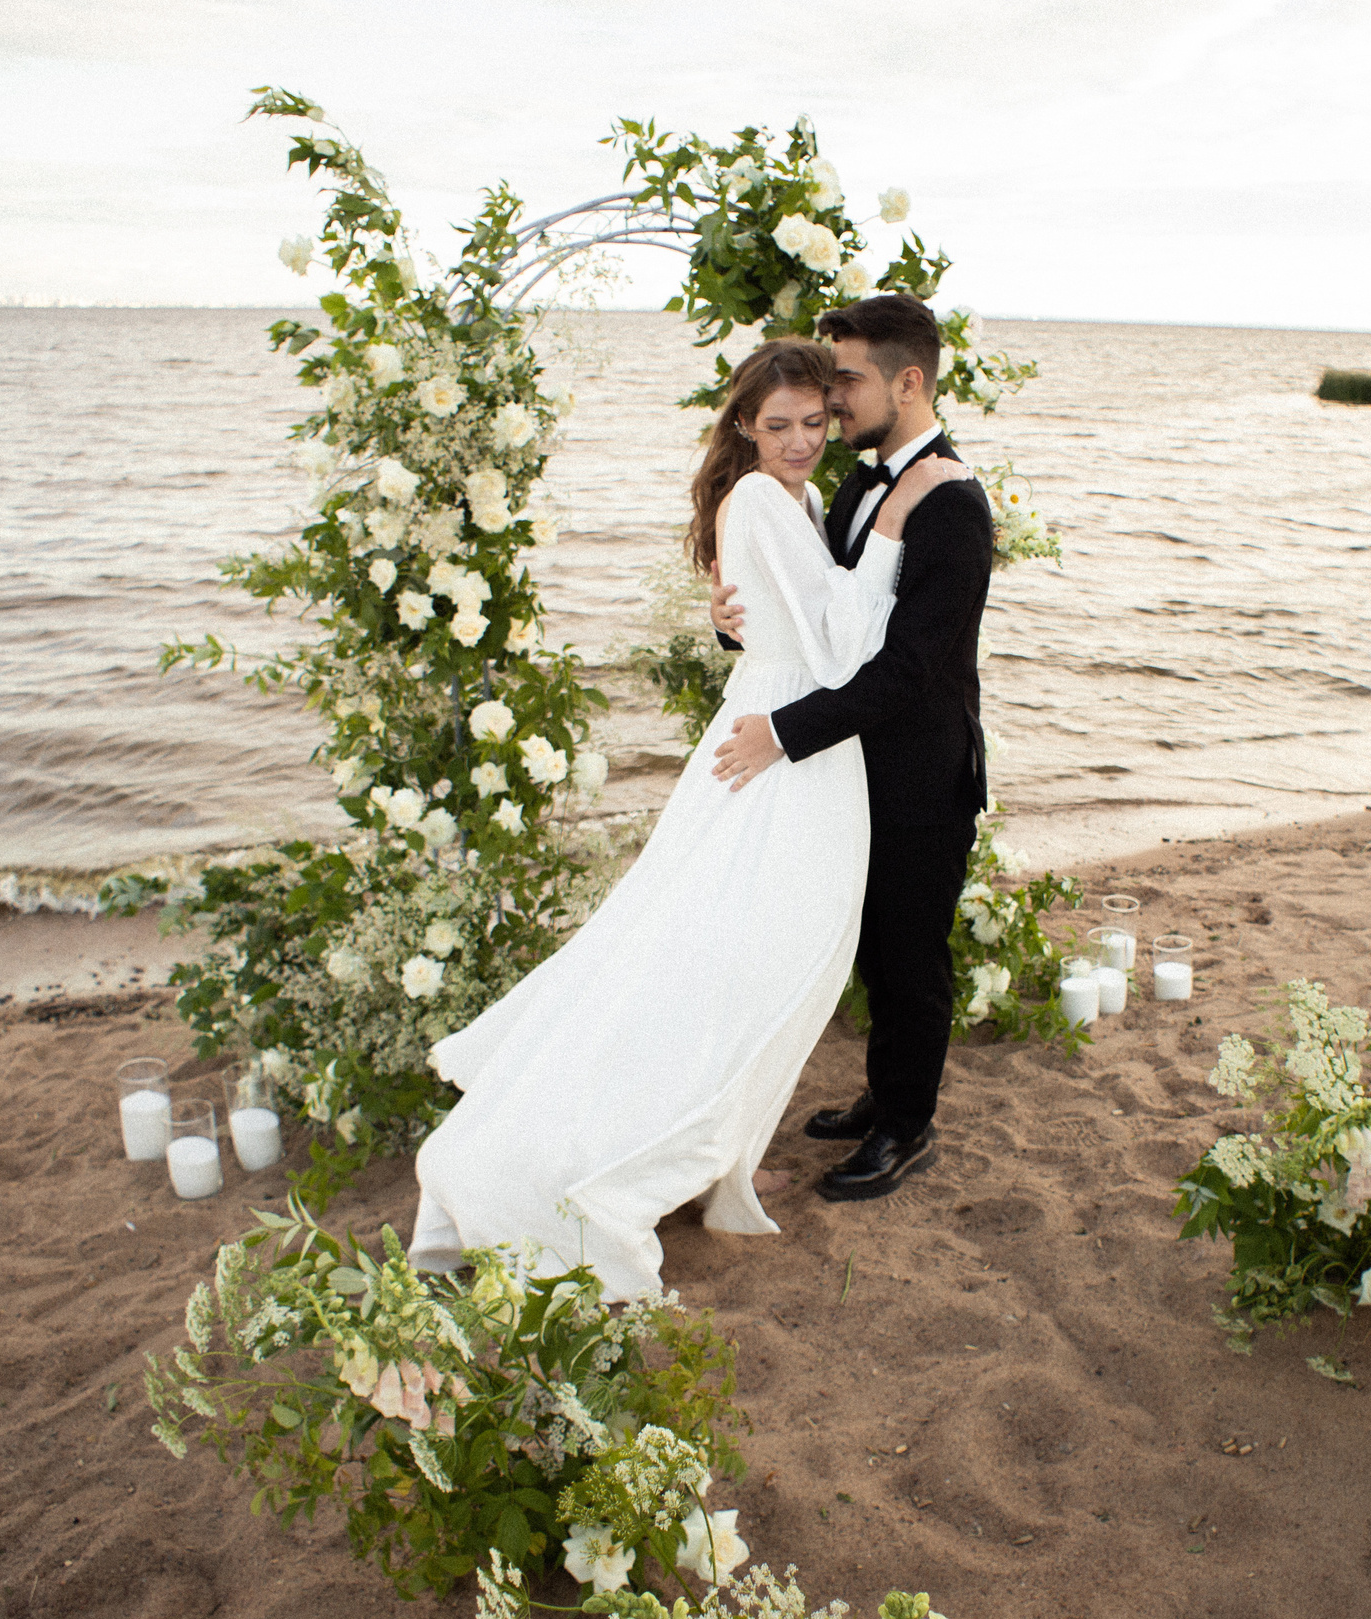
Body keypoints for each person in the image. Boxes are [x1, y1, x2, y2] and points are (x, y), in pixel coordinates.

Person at [407, 337, 971, 1301]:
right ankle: (663, 1137)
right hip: (788, 744)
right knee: (737, 946)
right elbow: (833, 629)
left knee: (775, 945)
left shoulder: (817, 494)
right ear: (746, 426)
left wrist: (740, 619)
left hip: (817, 741)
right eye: (782, 424)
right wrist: (879, 538)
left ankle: (817, 1128)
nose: (802, 438)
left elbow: (813, 618)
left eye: (815, 420)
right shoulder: (778, 494)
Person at [709, 294, 994, 1204]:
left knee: (913, 956)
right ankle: (884, 1093)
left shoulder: (951, 506)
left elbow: (907, 668)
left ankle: (908, 1129)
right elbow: (810, 614)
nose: (832, 403)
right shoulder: (851, 484)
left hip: (918, 774)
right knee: (875, 944)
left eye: (848, 381)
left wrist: (782, 736)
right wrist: (731, 624)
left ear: (908, 382)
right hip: (852, 768)